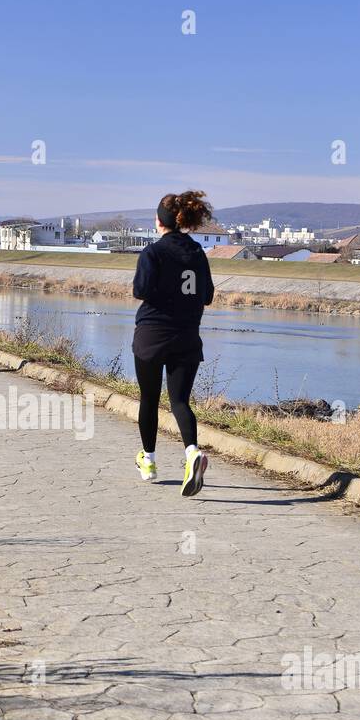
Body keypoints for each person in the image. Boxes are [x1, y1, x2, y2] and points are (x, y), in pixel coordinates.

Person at [132, 190, 215, 496]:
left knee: (149, 400)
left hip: (152, 336)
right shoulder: (197, 253)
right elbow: (207, 296)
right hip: (187, 337)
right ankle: (192, 452)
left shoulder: (152, 253)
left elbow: (140, 291)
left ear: (159, 221)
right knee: (179, 401)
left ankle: (149, 461)